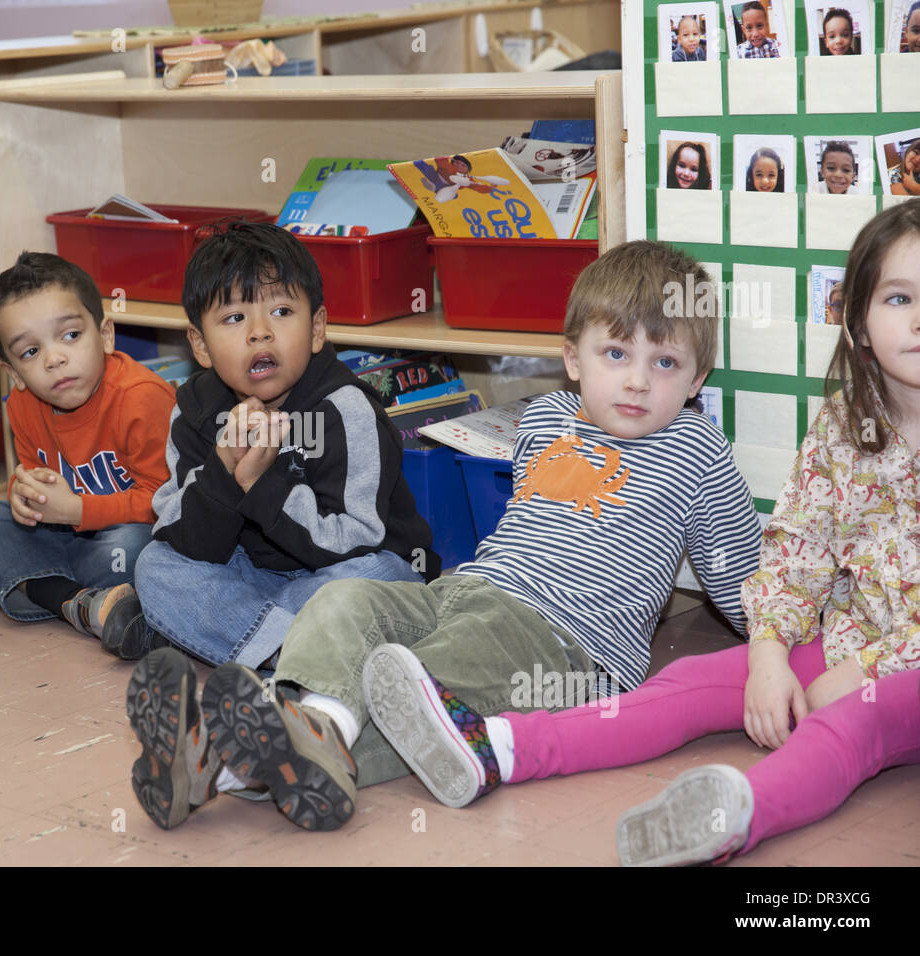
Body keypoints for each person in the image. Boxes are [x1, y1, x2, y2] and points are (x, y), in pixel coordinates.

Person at [126, 239, 762, 832]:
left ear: (697, 380)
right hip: (464, 590)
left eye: (666, 361)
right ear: (573, 358)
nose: (637, 380)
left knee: (417, 684)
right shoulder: (543, 419)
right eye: (616, 353)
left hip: (569, 645)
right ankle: (254, 747)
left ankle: (262, 745)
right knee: (344, 604)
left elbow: (741, 579)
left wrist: (783, 644)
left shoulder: (697, 448)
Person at [367, 199, 920, 866]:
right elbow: (796, 555)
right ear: (857, 319)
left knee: (846, 724)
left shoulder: (701, 448)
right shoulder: (841, 424)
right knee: (685, 687)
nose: (919, 318)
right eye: (898, 297)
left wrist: (862, 670)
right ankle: (500, 749)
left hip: (895, 666)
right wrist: (771, 653)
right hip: (847, 639)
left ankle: (731, 817)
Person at [121, 220, 437, 676]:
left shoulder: (346, 410)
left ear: (317, 328)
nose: (259, 333)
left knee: (384, 578)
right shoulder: (194, 409)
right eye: (234, 318)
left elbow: (359, 540)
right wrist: (223, 474)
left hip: (342, 573)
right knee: (154, 566)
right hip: (255, 577)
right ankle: (291, 653)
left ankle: (258, 640)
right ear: (200, 345)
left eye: (282, 312)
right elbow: (181, 537)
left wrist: (261, 484)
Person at [0, 252, 173, 657]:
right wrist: (23, 492)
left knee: (138, 547)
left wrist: (76, 511)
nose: (55, 359)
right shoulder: (22, 404)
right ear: (14, 373)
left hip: (127, 533)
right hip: (70, 535)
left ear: (105, 335)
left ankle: (24, 585)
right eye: (30, 352)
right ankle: (82, 604)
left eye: (70, 335)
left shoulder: (141, 398)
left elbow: (166, 502)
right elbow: (34, 477)